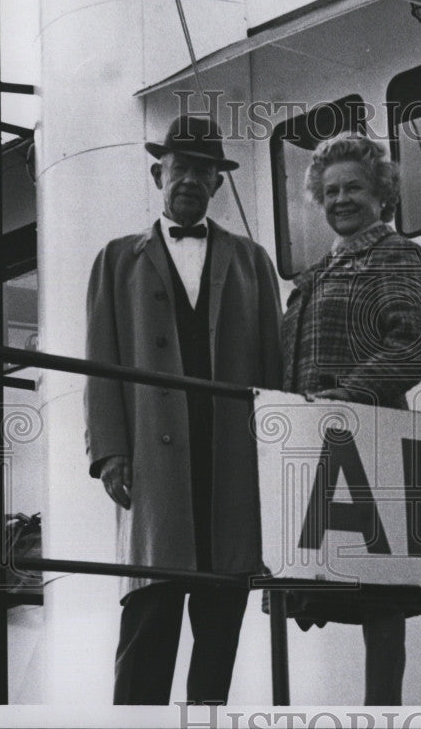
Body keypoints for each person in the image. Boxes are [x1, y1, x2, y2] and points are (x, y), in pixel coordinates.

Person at [84, 114, 283, 705]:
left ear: (219, 183)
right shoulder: (116, 260)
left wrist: (274, 468)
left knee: (220, 638)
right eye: (180, 167)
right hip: (153, 469)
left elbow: (271, 368)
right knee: (148, 628)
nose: (191, 179)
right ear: (157, 174)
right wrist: (111, 454)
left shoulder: (253, 262)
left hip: (231, 469)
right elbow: (100, 364)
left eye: (204, 169)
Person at [279, 133, 421, 704]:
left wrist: (347, 396)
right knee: (321, 581)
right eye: (330, 191)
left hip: (372, 442)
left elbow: (413, 342)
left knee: (380, 597)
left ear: (381, 196)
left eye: (353, 188)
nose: (340, 199)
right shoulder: (313, 275)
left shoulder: (395, 254)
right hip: (315, 451)